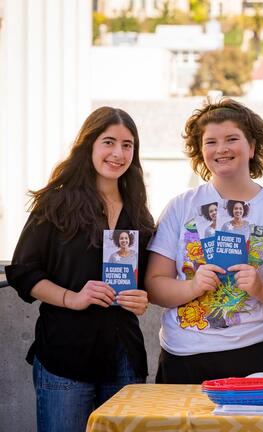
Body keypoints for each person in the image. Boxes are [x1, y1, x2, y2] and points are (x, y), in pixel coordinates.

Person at [5, 107, 154, 432]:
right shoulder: (56, 205)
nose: (118, 153)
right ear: (88, 145)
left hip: (124, 357)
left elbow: (148, 281)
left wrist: (142, 299)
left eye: (127, 145)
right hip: (65, 356)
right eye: (109, 142)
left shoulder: (138, 212)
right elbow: (23, 272)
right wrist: (72, 297)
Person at [145, 98, 263, 384]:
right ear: (200, 151)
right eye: (211, 142)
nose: (221, 149)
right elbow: (154, 285)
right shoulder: (180, 206)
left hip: (258, 350)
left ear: (252, 147)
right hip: (184, 355)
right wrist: (192, 286)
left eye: (232, 139)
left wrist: (260, 288)